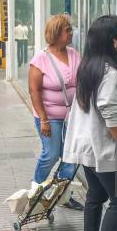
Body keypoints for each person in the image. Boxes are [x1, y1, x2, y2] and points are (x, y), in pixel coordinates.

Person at [63, 15, 117, 231]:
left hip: (85, 147)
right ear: (112, 41)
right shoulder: (111, 73)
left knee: (96, 194)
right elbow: (112, 116)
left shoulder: (89, 66)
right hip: (102, 148)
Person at [28, 14, 83, 211]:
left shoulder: (75, 54)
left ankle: (63, 195)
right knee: (51, 154)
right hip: (48, 116)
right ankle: (35, 190)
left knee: (70, 158)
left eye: (70, 30)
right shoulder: (40, 60)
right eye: (67, 30)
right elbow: (34, 91)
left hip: (72, 116)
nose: (71, 33)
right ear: (56, 33)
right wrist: (43, 119)